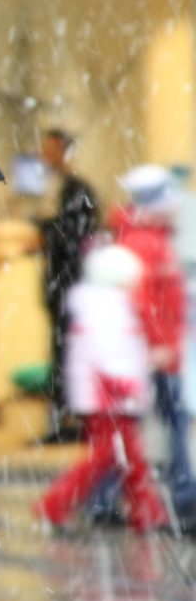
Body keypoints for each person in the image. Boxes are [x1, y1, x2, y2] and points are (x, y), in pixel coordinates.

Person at [34, 244, 167, 533]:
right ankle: (54, 505)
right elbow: (107, 354)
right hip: (109, 397)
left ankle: (148, 515)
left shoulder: (100, 304)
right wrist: (126, 384)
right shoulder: (107, 307)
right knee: (111, 458)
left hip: (108, 396)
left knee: (127, 459)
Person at [108, 165, 196, 517]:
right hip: (155, 352)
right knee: (163, 421)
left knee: (145, 424)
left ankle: (109, 495)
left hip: (161, 351)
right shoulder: (144, 243)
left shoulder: (151, 239)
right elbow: (144, 303)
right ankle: (182, 489)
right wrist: (156, 346)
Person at [36, 129, 102, 442]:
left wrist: (45, 232)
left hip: (69, 285)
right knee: (61, 351)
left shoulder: (76, 190)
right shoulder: (61, 189)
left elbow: (72, 234)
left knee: (69, 352)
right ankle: (64, 418)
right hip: (60, 285)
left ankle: (71, 420)